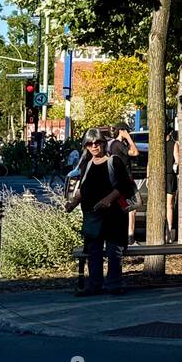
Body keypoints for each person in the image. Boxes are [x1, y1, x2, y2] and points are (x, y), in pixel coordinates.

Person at [64, 130, 138, 298]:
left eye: (97, 142)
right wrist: (73, 203)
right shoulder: (87, 164)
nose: (94, 146)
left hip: (113, 217)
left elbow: (124, 186)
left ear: (104, 143)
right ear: (86, 146)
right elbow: (83, 188)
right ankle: (94, 285)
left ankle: (114, 284)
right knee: (93, 252)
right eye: (90, 144)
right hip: (92, 216)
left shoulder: (114, 161)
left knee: (114, 252)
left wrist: (108, 199)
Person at [107, 124, 141, 243]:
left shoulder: (114, 144)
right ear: (121, 131)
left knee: (128, 208)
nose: (128, 133)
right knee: (132, 207)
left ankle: (125, 236)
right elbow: (135, 152)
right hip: (125, 180)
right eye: (126, 131)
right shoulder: (118, 144)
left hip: (121, 180)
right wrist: (129, 138)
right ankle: (130, 237)